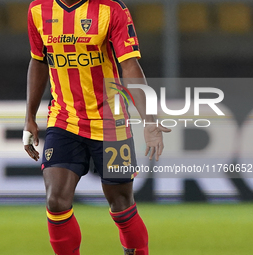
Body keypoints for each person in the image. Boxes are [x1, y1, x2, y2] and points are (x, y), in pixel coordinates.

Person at [23, 0, 171, 254]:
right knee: (56, 201)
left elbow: (130, 66)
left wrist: (149, 120)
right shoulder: (38, 9)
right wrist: (30, 117)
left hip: (111, 123)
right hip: (64, 120)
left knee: (121, 203)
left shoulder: (111, 9)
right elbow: (38, 61)